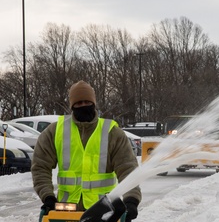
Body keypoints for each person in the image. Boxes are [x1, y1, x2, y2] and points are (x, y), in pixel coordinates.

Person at [32, 80, 141, 222]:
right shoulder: (55, 131)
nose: (83, 106)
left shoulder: (112, 132)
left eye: (87, 102)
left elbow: (127, 169)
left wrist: (131, 200)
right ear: (72, 106)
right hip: (65, 211)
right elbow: (40, 166)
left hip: (104, 210)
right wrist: (48, 197)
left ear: (94, 103)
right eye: (78, 103)